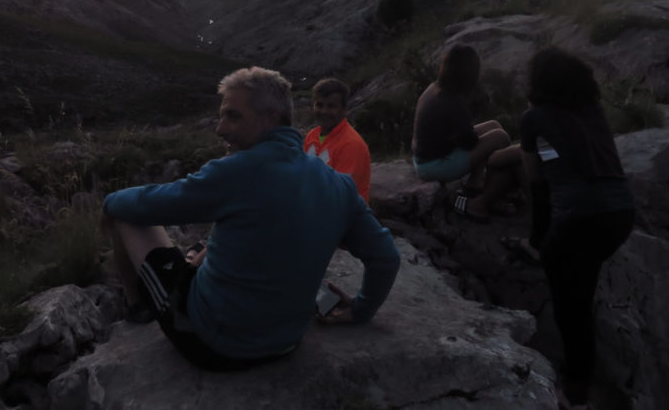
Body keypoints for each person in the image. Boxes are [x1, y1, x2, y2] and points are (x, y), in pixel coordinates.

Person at [101, 66, 401, 371]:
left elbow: (148, 205)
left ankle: (138, 307)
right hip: (287, 341)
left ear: (269, 118)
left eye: (233, 116)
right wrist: (361, 310)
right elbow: (387, 258)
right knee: (226, 243)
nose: (220, 129)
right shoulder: (337, 184)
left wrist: (109, 203)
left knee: (125, 215)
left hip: (214, 342)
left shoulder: (234, 172)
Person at [519, 48, 635, 410]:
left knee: (572, 308)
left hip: (578, 219)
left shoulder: (533, 118)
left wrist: (540, 241)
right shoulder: (593, 111)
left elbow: (536, 184)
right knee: (582, 288)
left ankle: (576, 392)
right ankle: (586, 375)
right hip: (620, 212)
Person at [411, 44, 517, 221]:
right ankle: (486, 196)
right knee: (500, 137)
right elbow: (470, 142)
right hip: (434, 166)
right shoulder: (454, 101)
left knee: (493, 125)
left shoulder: (435, 87)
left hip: (424, 158)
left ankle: (474, 183)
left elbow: (461, 136)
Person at [304, 78, 371, 202]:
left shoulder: (351, 145)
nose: (324, 111)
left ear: (344, 109)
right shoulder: (311, 137)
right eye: (319, 105)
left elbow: (341, 195)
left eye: (331, 106)